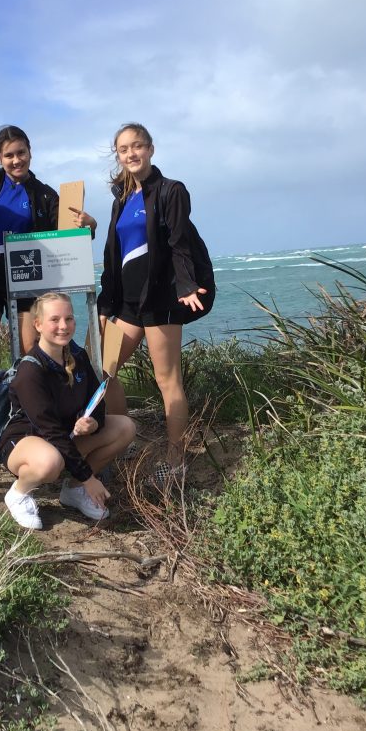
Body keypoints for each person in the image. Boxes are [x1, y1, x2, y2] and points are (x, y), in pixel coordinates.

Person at [0, 125, 97, 451]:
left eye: (20, 153)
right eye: (8, 155)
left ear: (30, 153)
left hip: (29, 276)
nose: (15, 160)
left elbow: (70, 235)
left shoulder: (44, 194)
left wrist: (90, 225)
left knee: (30, 351)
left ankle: (29, 417)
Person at [97, 123, 215, 480]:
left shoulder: (171, 190)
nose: (131, 153)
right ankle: (126, 438)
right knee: (106, 370)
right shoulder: (122, 197)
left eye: (137, 146)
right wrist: (106, 304)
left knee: (168, 379)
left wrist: (186, 286)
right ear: (117, 156)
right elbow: (113, 255)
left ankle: (176, 458)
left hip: (161, 299)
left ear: (150, 149)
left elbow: (179, 242)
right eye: (123, 149)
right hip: (128, 304)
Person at [0, 293, 136, 530]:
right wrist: (89, 478)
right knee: (49, 462)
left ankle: (73, 490)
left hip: (64, 437)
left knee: (125, 427)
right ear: (38, 325)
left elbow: (98, 400)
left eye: (69, 318)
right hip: (26, 441)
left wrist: (94, 422)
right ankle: (19, 493)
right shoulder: (30, 370)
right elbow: (50, 430)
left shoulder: (78, 356)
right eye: (54, 320)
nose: (63, 326)